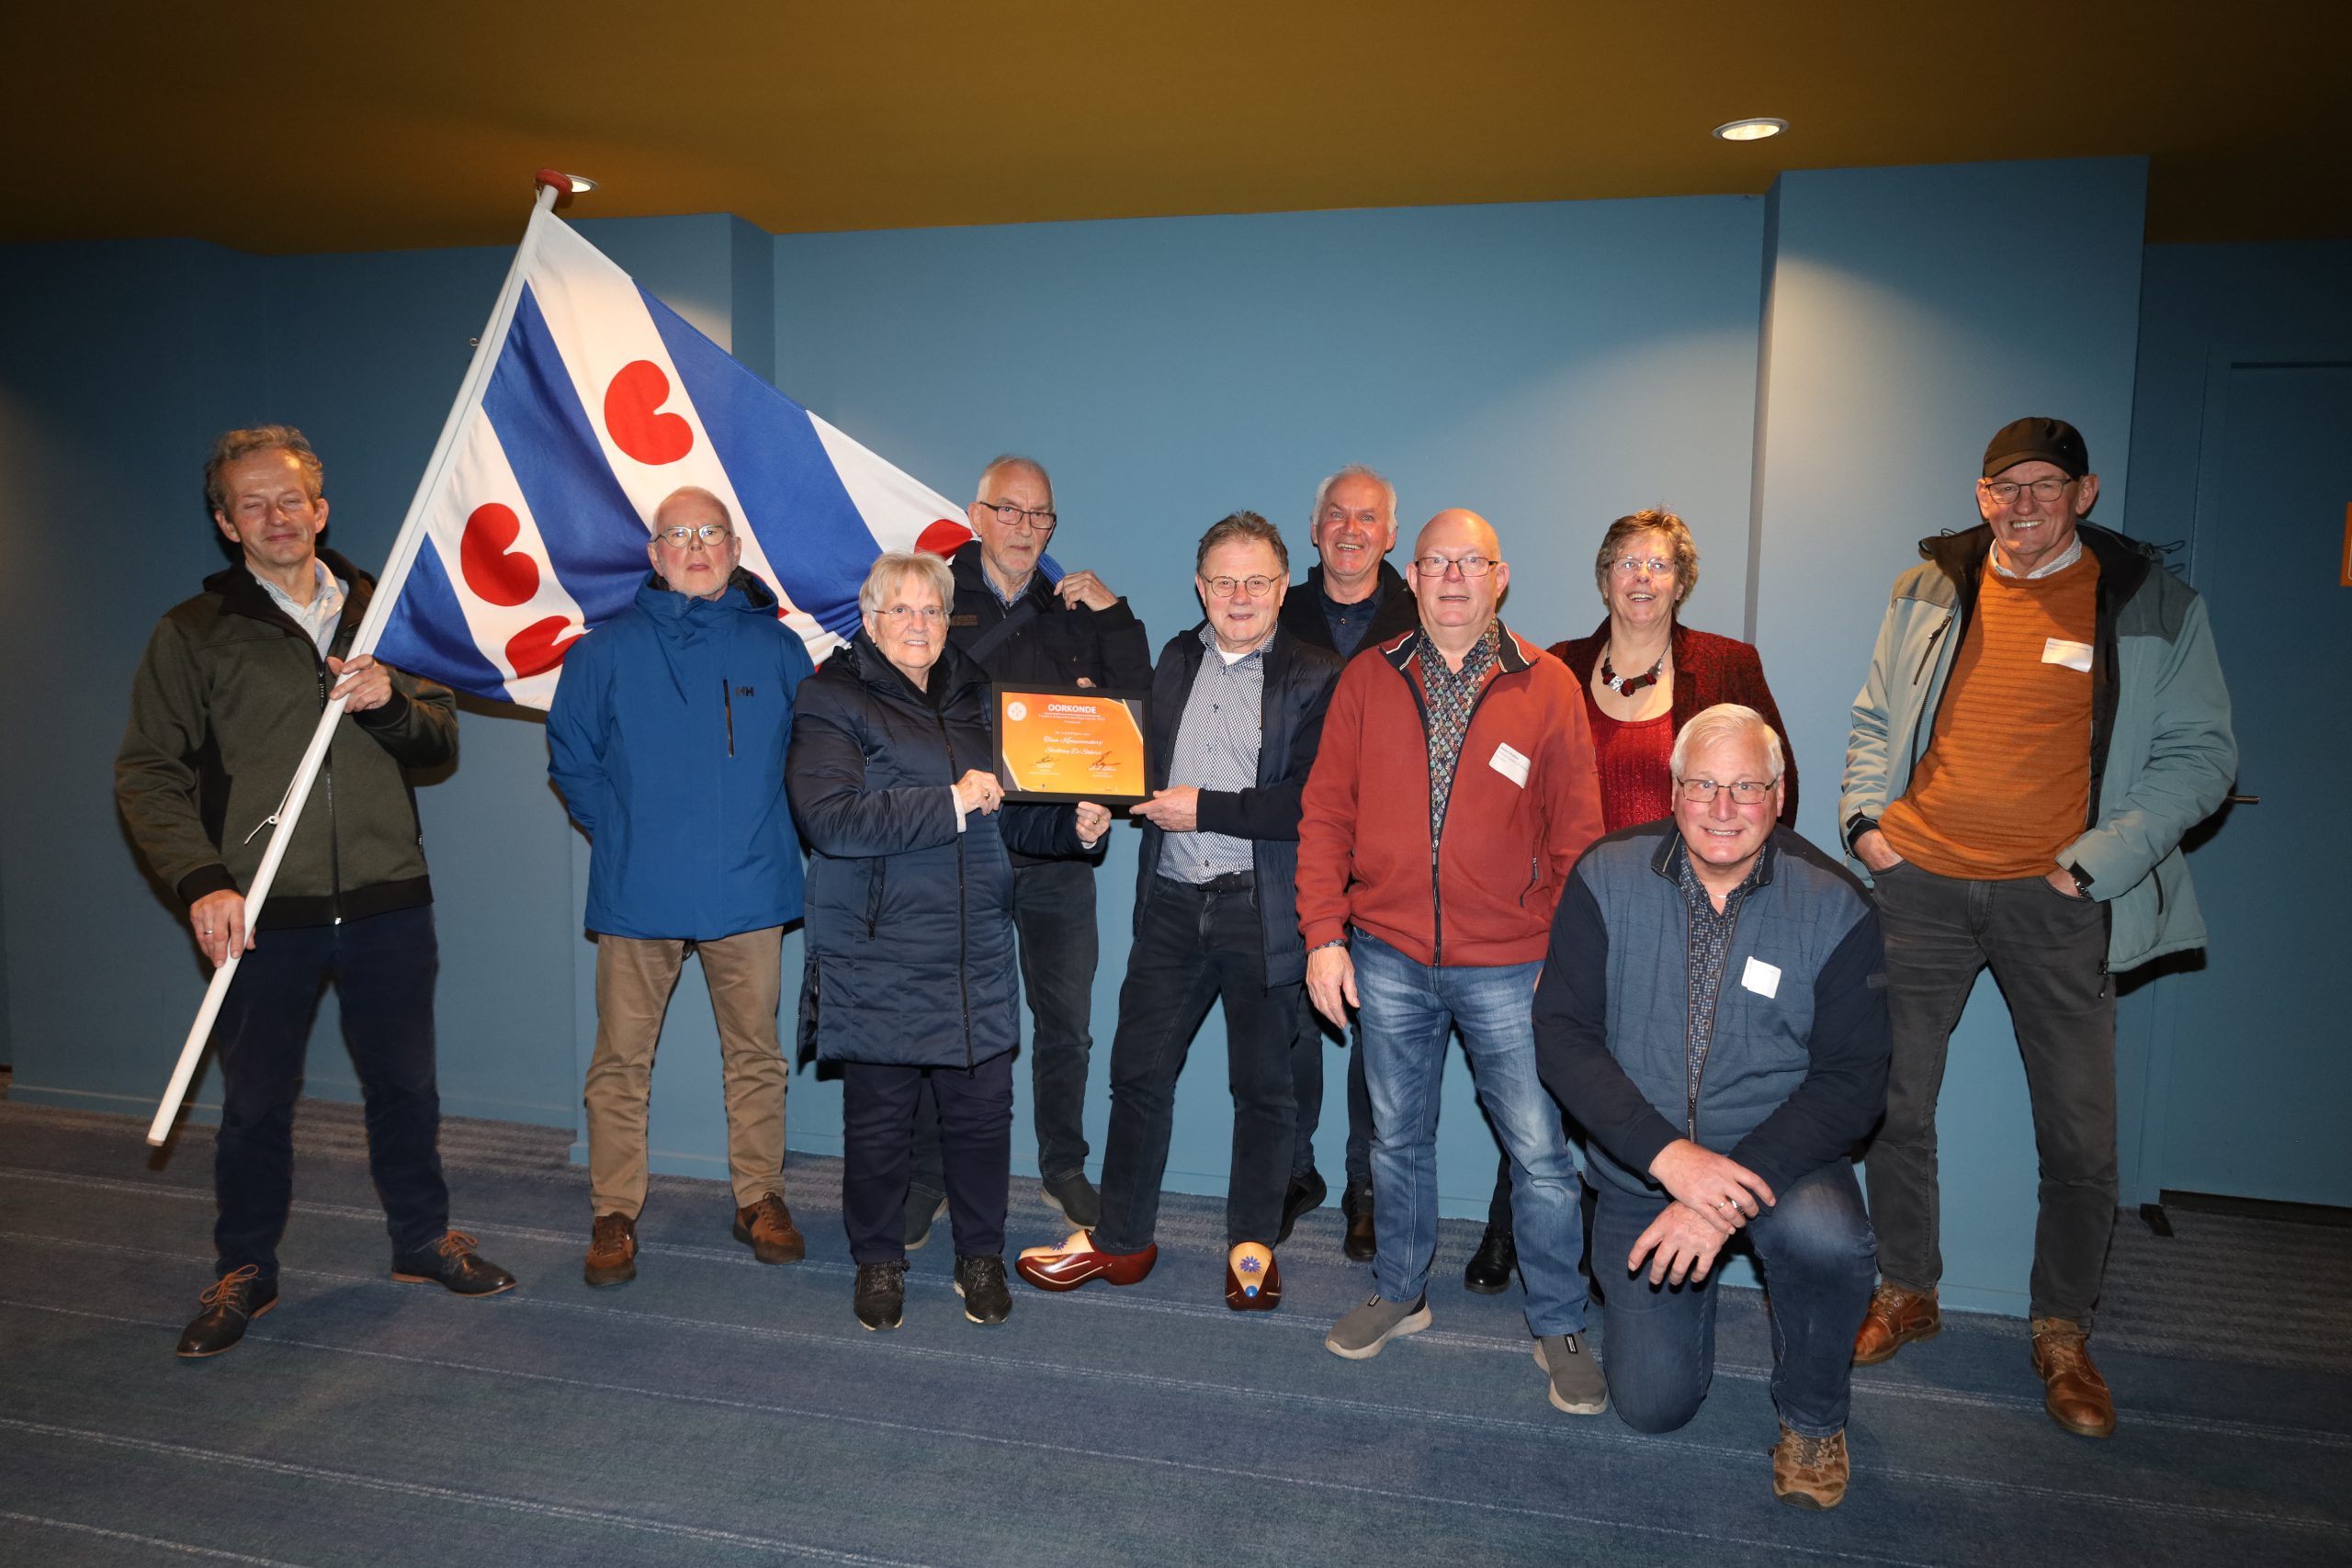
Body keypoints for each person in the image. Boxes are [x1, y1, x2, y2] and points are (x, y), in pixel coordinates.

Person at [1843, 416, 2236, 1438]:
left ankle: (2063, 1329)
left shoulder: (2151, 602)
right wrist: (1866, 825)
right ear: (1981, 497)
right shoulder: (1928, 588)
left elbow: (2202, 756)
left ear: (2084, 493)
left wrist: (2093, 864)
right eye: (2003, 487)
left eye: (2045, 486)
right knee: (1891, 1104)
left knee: (2079, 1133)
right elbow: (1876, 716)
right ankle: (1906, 1287)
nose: (2022, 505)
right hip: (1919, 883)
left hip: (2056, 901)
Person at [116, 425, 512, 1359]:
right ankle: (245, 1267)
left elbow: (438, 740)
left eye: (289, 499)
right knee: (255, 1103)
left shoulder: (388, 612)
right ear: (226, 524)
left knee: (406, 1086)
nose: (275, 517)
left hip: (388, 897)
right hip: (261, 911)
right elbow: (148, 772)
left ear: (319, 509)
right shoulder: (193, 631)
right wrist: (203, 881)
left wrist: (389, 704)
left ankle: (422, 1239)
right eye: (251, 504)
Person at [1536, 705, 1888, 1509]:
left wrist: (1721, 1191)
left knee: (1828, 1240)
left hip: (1783, 1159)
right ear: (1674, 791)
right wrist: (1672, 1160)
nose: (1723, 808)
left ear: (1779, 793)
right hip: (1645, 1166)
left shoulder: (1836, 903)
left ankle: (1813, 1417)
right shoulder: (1605, 876)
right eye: (1703, 785)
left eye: (1746, 787)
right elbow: (1561, 1035)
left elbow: (1854, 1082)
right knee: (1650, 1406)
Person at [1296, 508, 1609, 1414]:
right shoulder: (1370, 677)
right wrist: (1323, 935)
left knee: (1540, 1155)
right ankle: (1401, 1291)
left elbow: (1577, 836)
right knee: (1395, 1140)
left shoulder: (1547, 685)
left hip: (1510, 964)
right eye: (1435, 562)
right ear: (1414, 575)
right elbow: (1326, 813)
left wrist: (1561, 956)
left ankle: (1558, 1321)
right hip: (1388, 953)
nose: (1452, 578)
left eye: (1471, 562)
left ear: (1500, 577)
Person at [1466, 508, 1804, 1292]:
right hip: (1574, 909)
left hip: (1680, 916)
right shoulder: (1556, 665)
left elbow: (1774, 788)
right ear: (1604, 578)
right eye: (1627, 562)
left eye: (1659, 564)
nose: (1642, 577)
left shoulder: (1726, 666)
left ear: (1681, 582)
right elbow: (1516, 789)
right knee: (1547, 1070)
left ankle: (1621, 1235)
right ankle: (1509, 1223)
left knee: (1644, 1080)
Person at [1014, 513, 1341, 1309]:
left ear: (1282, 586)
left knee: (1264, 1090)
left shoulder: (1316, 674)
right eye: (1224, 580)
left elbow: (1314, 802)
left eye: (1256, 580)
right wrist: (1088, 758)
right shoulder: (1176, 657)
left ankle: (1252, 1245)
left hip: (1261, 908)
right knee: (1137, 1075)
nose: (1240, 595)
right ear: (1201, 586)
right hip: (1168, 902)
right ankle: (1123, 1242)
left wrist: (1208, 809)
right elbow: (1136, 761)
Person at [787, 550, 1111, 1331]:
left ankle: (980, 1255)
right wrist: (949, 801)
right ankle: (877, 1259)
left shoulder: (979, 697)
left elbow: (1009, 813)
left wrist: (1073, 828)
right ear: (870, 621)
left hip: (975, 951)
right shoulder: (830, 697)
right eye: (900, 609)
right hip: (878, 950)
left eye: (931, 609)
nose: (918, 623)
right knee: (879, 1124)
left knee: (980, 1119)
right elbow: (830, 820)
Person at [547, 486, 816, 1289]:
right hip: (640, 890)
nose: (696, 547)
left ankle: (759, 1195)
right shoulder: (602, 652)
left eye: (711, 533)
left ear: (735, 550)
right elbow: (572, 758)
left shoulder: (780, 650)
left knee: (757, 1056)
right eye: (679, 534)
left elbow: (811, 762)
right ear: (654, 553)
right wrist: (626, 834)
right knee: (620, 1062)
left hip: (750, 889)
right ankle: (613, 1209)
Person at [911, 455, 1150, 1241]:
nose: (1024, 527)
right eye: (1008, 511)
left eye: (1039, 514)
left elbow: (1136, 718)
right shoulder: (935, 597)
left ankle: (1063, 1166)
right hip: (960, 846)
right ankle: (929, 1175)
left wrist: (1117, 618)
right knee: (948, 1020)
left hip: (1059, 851)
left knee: (1066, 1023)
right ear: (976, 516)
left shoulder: (1076, 610)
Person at [1277, 465, 1425, 1263]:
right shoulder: (1276, 607)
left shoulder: (1424, 615)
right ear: (1314, 528)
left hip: (1385, 858)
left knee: (1380, 1035)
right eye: (1336, 514)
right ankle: (1293, 1170)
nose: (1350, 529)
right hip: (1286, 844)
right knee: (1293, 1023)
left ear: (1390, 534)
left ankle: (1368, 1186)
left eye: (1367, 517)